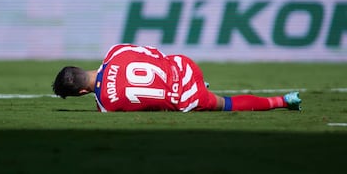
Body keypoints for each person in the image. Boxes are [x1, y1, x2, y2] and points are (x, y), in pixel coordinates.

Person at [52, 44, 302, 112]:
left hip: (186, 98)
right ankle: (196, 81)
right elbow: (154, 54)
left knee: (226, 104)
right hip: (184, 66)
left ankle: (283, 101)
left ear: (82, 93)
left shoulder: (105, 106)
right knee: (165, 60)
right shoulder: (115, 52)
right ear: (79, 67)